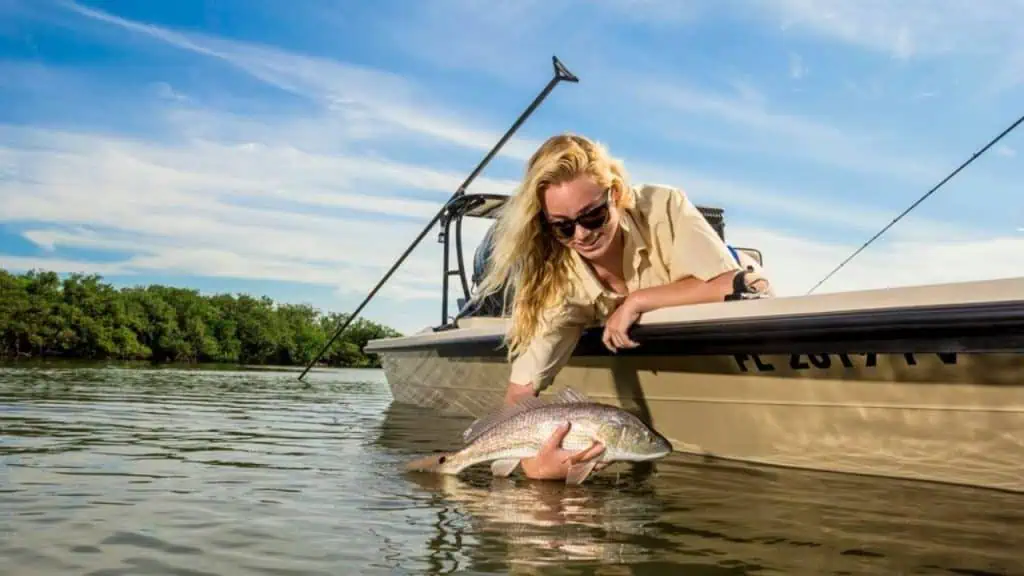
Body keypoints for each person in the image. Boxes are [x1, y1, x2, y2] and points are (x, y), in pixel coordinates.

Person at [471, 133, 773, 481]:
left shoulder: (664, 206)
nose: (582, 235)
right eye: (563, 227)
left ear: (614, 194)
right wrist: (535, 467)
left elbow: (739, 284)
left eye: (593, 216)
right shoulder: (556, 281)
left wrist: (638, 301)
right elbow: (520, 393)